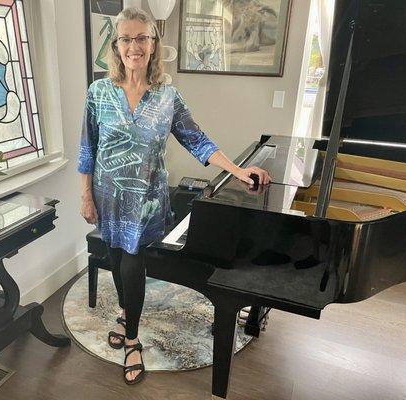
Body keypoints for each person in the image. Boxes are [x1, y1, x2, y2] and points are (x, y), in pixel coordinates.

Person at [78, 7, 270, 385]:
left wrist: (236, 170)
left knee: (133, 260)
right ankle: (123, 311)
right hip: (107, 196)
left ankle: (132, 339)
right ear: (116, 46)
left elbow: (197, 140)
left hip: (146, 198)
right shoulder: (99, 92)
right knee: (115, 256)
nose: (134, 46)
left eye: (142, 38)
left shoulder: (168, 96)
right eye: (126, 38)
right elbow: (88, 148)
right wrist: (86, 196)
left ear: (153, 44)